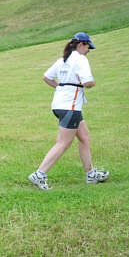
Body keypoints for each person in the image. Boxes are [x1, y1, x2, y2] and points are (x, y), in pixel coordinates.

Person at [28, 32, 109, 190]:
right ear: (80, 45)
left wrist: (60, 87)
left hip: (60, 105)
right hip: (70, 107)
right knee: (63, 143)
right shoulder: (80, 59)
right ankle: (39, 174)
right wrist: (92, 82)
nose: (89, 50)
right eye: (88, 47)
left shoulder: (62, 60)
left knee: (84, 137)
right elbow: (87, 83)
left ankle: (91, 174)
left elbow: (46, 77)